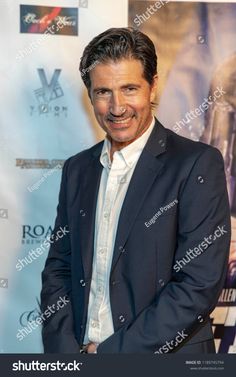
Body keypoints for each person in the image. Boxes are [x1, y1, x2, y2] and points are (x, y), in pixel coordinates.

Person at [40, 27, 231, 354]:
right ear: (90, 94)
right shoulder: (78, 169)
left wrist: (111, 357)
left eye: (129, 88)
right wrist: (66, 355)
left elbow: (198, 286)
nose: (117, 107)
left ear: (153, 85)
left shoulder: (196, 164)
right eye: (103, 92)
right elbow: (59, 268)